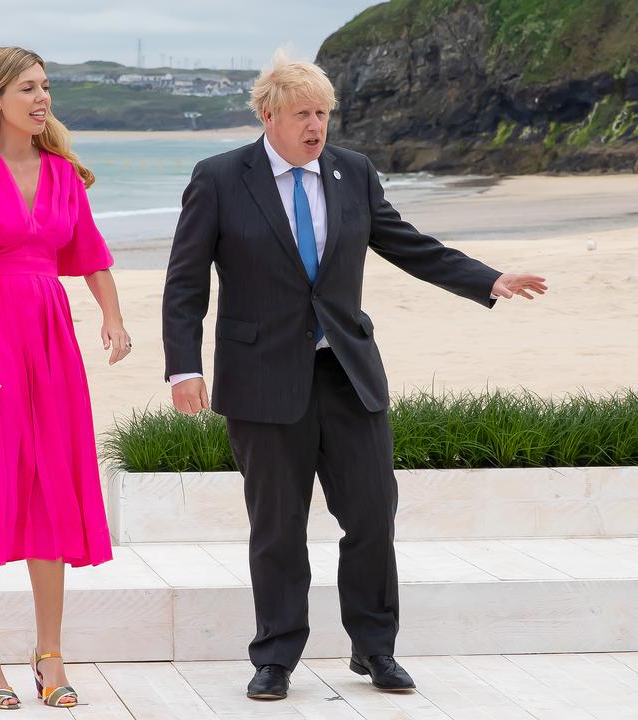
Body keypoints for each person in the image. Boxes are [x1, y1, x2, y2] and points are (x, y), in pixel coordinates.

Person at [162, 51, 547, 700]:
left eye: (323, 114)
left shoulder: (352, 173)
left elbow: (407, 244)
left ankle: (374, 649)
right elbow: (185, 283)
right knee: (278, 526)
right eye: (303, 114)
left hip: (347, 374)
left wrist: (488, 279)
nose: (316, 127)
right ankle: (276, 658)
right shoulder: (221, 178)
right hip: (261, 380)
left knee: (372, 516)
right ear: (268, 116)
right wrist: (183, 367)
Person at [0, 46, 128, 709]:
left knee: (53, 493)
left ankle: (49, 655)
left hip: (51, 339)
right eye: (28, 89)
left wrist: (112, 318)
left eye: (46, 88)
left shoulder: (63, 173)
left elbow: (90, 256)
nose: (42, 99)